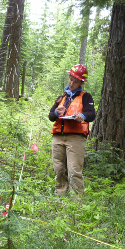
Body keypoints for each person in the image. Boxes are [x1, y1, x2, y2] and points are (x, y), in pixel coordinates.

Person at [48, 64, 96, 195]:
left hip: (76, 138)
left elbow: (92, 114)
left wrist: (82, 116)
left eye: (75, 81)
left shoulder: (86, 97)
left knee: (74, 171)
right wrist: (57, 112)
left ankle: (77, 201)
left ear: (81, 82)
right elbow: (51, 116)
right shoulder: (62, 97)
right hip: (58, 137)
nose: (72, 83)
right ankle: (60, 195)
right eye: (70, 79)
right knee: (58, 169)